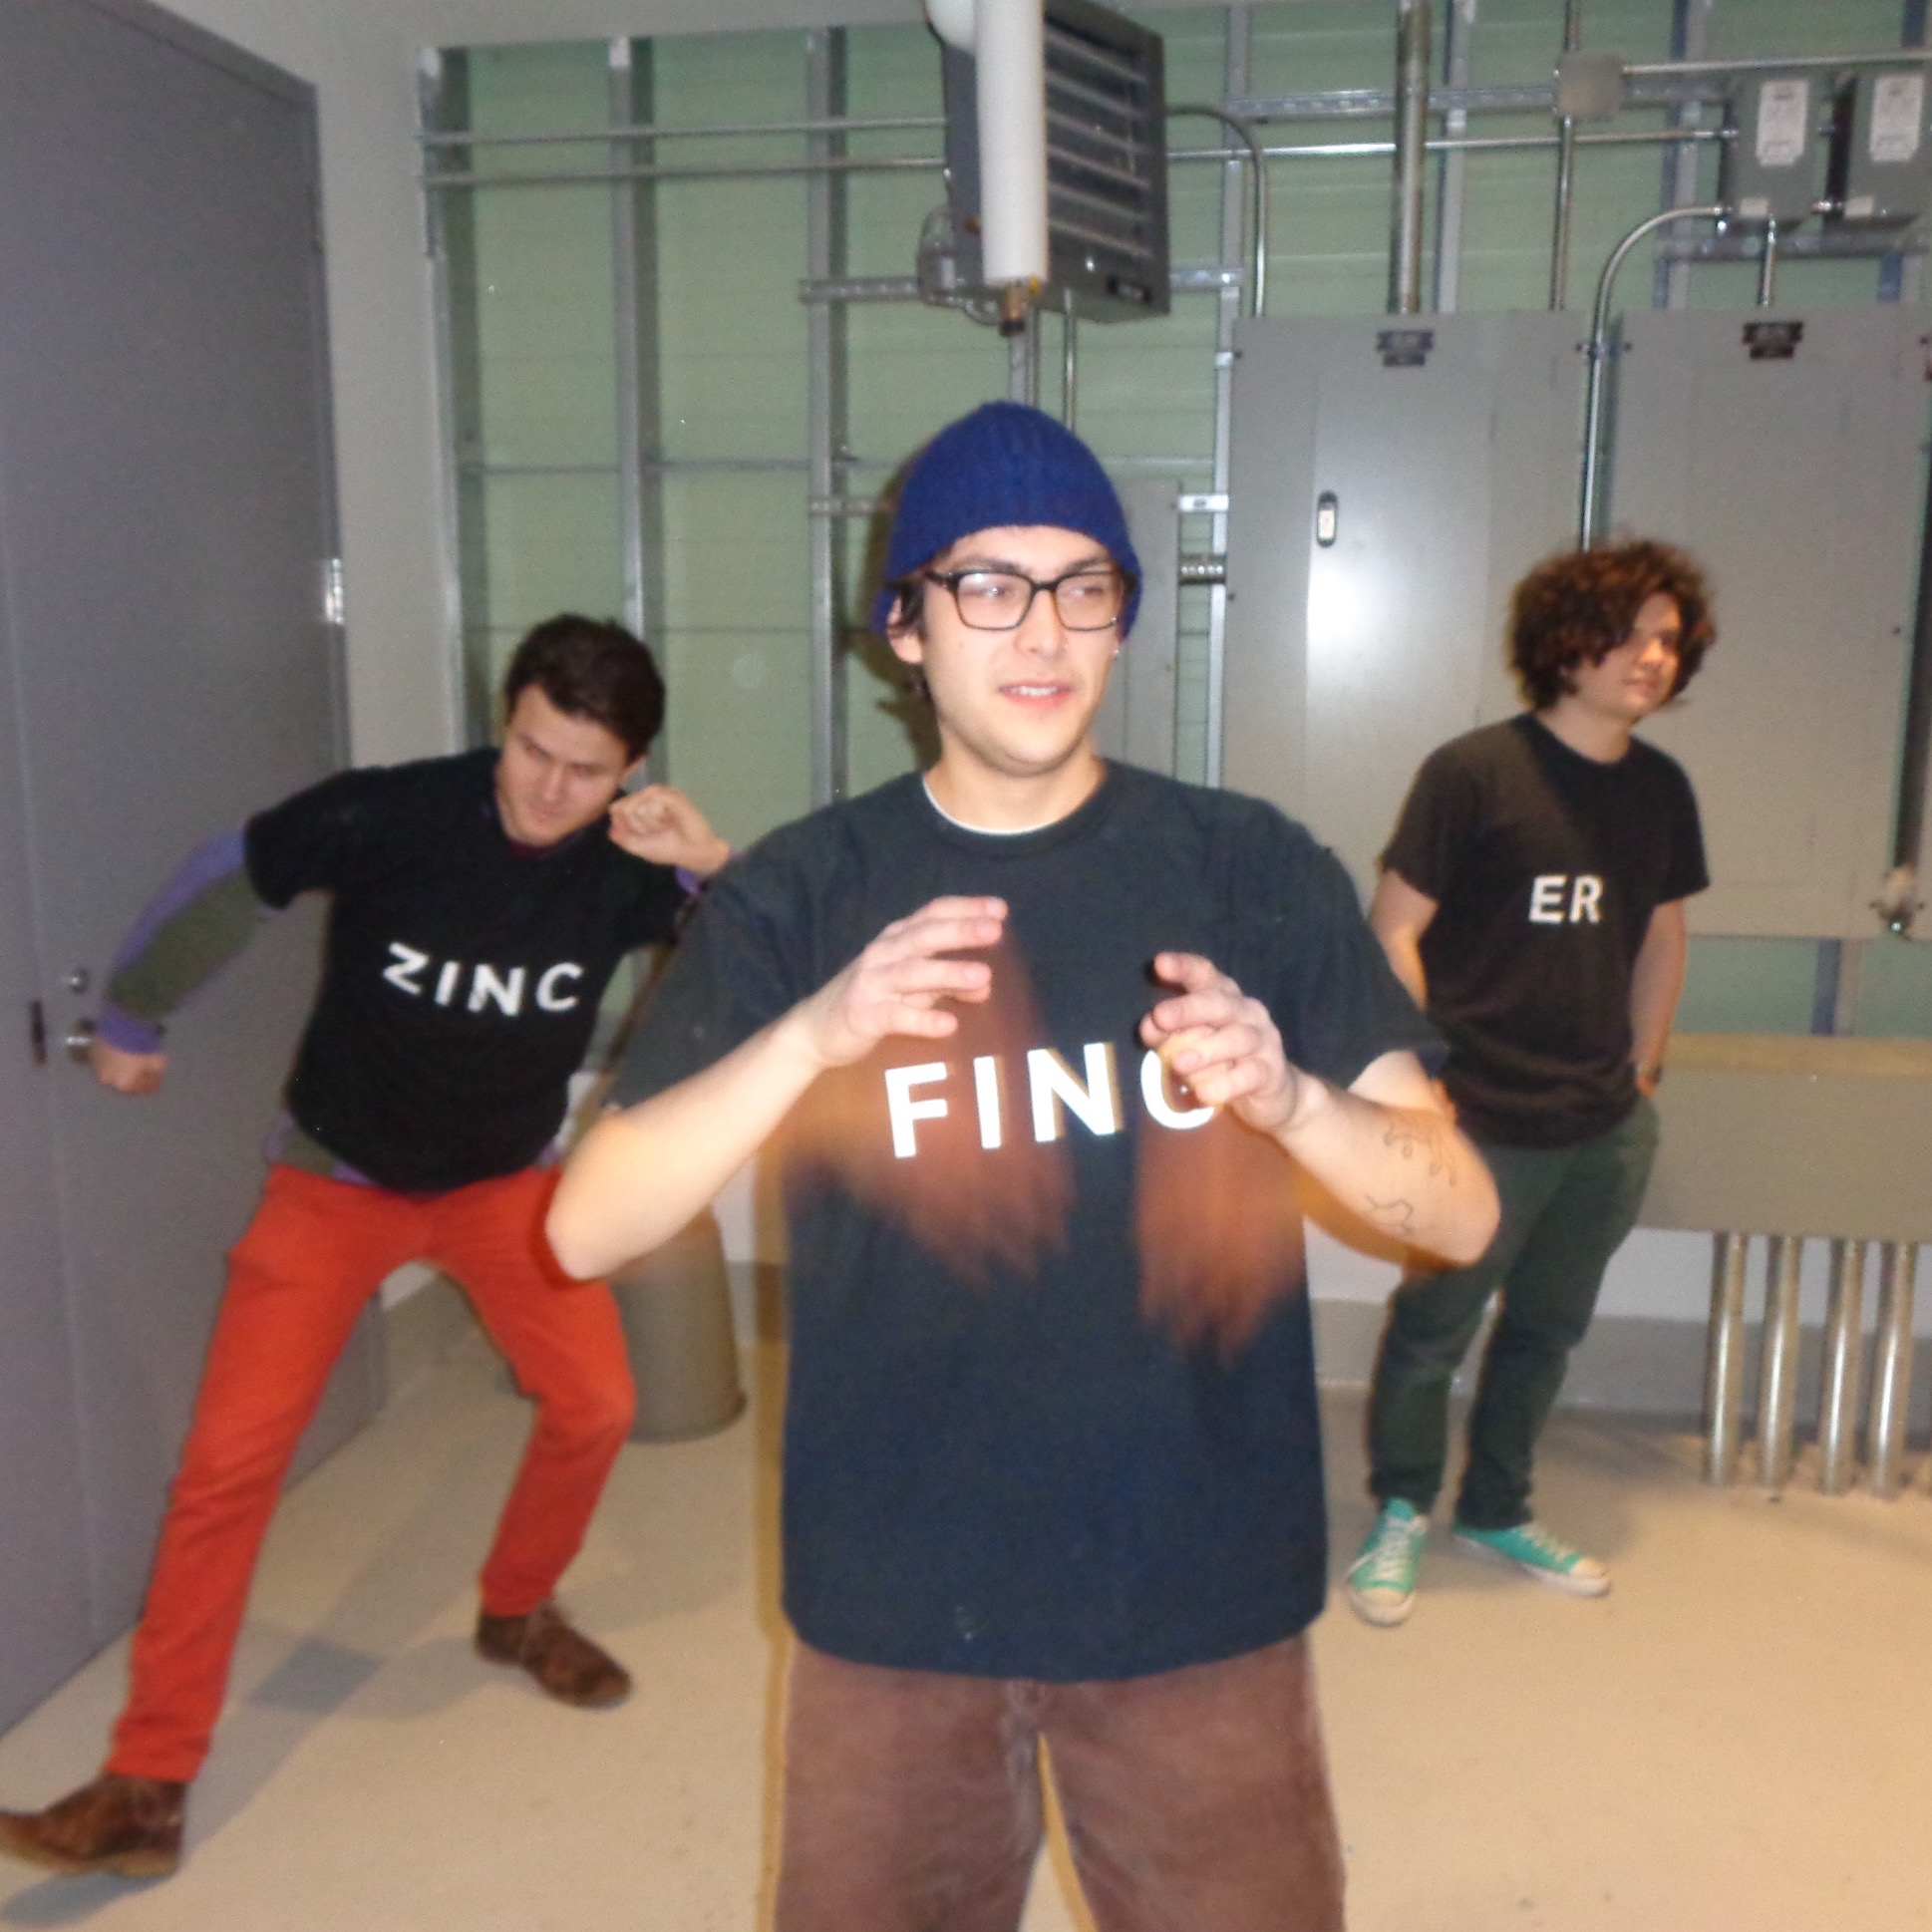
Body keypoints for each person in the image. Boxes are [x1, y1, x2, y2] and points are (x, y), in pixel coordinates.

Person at [548, 403, 1499, 1932]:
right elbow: (588, 1229)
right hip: (893, 1609)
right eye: (987, 584)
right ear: (905, 625)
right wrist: (811, 1033)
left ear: (1121, 617)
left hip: (1196, 1595)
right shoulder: (803, 891)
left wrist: (1293, 1101)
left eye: (1082, 584)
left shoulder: (1248, 870)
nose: (1041, 628)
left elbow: (1455, 1211)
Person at [0, 614, 730, 1879]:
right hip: (336, 1183)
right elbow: (237, 870)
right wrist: (134, 1012)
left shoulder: (628, 866)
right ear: (504, 722)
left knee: (598, 1402)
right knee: (228, 1468)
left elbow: (770, 948)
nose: (548, 791)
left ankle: (517, 1610)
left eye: (586, 770)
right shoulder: (397, 814)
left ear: (631, 771)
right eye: (532, 751)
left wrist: (709, 863)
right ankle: (147, 1783)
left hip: (503, 1189)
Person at [1346, 540, 1713, 1629]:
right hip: (1479, 1118)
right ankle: (1402, 1510)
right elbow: (1394, 932)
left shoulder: (1660, 791)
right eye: (1627, 634)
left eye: (1668, 639)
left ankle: (1497, 1507)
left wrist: (1643, 1071)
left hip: (1602, 1123)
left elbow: (1662, 935)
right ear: (1564, 643)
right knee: (1434, 1327)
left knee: (1547, 1330)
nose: (1652, 656)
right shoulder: (1474, 773)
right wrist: (1421, 1086)